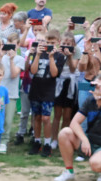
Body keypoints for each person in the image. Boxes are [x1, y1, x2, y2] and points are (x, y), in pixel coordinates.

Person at [53, 71, 101, 181]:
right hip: (91, 142)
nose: (99, 89)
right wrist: (84, 139)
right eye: (96, 86)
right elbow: (74, 123)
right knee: (65, 133)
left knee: (95, 164)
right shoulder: (90, 101)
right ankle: (69, 171)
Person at [26, 29, 65, 157]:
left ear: (58, 43)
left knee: (46, 118)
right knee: (36, 117)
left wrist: (51, 57)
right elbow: (33, 70)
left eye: (52, 42)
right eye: (47, 42)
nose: (49, 44)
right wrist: (37, 55)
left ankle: (47, 143)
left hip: (49, 90)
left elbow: (54, 74)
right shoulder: (38, 53)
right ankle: (37, 141)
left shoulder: (59, 56)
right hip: (36, 88)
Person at [52, 31, 80, 141]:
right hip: (59, 83)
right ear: (60, 43)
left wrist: (69, 56)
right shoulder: (57, 53)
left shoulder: (76, 51)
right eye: (64, 44)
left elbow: (73, 69)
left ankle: (62, 139)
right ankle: (54, 139)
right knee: (57, 114)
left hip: (71, 83)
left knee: (67, 115)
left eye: (69, 44)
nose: (66, 46)